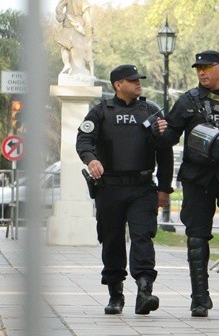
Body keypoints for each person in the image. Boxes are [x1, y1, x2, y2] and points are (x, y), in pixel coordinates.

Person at [150, 50, 219, 317]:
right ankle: (199, 298)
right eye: (198, 68)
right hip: (197, 177)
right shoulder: (188, 100)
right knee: (197, 236)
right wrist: (158, 132)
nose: (202, 72)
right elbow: (170, 138)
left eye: (208, 67)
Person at [75, 64, 174, 315]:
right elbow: (84, 140)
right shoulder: (100, 112)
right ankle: (115, 294)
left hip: (142, 187)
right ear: (118, 85)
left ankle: (144, 291)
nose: (138, 83)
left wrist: (164, 188)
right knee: (112, 240)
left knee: (143, 237)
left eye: (139, 79)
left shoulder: (150, 111)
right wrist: (91, 159)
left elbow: (165, 151)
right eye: (132, 80)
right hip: (110, 188)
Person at [55, 0, 94, 77]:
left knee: (64, 47)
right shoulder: (83, 0)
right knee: (77, 48)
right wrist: (89, 30)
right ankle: (76, 70)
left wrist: (61, 17)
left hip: (68, 23)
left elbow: (58, 7)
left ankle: (67, 64)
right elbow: (87, 18)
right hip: (79, 26)